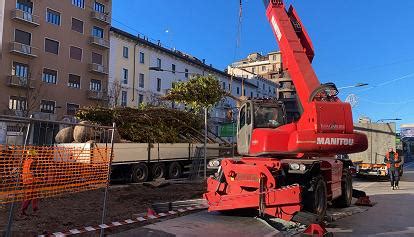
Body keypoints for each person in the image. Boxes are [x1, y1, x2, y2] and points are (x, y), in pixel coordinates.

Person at [20, 149, 40, 216]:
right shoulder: (33, 161)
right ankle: (23, 209)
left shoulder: (26, 161)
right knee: (31, 195)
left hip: (26, 180)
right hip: (31, 180)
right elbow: (33, 171)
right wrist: (39, 178)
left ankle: (35, 208)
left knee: (33, 195)